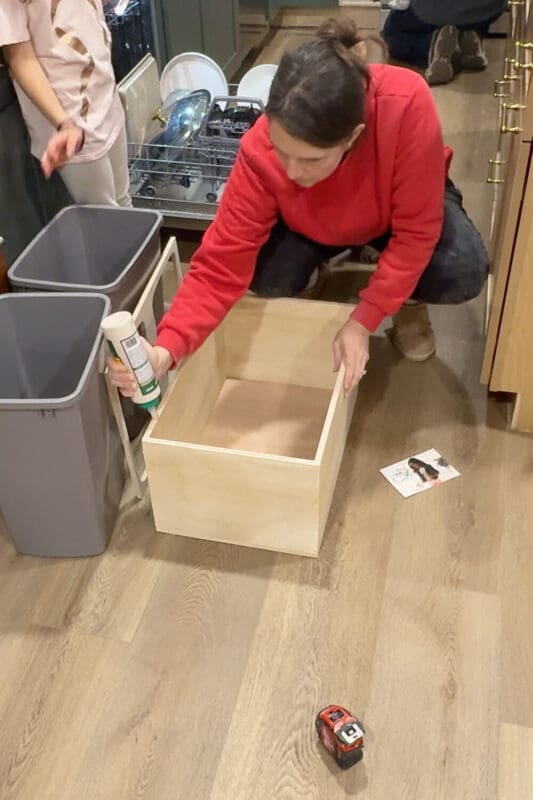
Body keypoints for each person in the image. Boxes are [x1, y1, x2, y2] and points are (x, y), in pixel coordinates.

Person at [109, 16, 488, 399]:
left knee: (461, 267)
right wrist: (164, 350)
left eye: (310, 160)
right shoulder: (259, 150)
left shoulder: (405, 102)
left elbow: (416, 232)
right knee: (267, 273)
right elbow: (220, 264)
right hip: (313, 221)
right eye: (282, 151)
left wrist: (364, 319)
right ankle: (316, 276)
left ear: (353, 136)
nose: (291, 170)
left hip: (395, 209)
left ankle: (407, 300)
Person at [0, 0, 131, 206]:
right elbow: (19, 58)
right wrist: (64, 123)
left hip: (105, 93)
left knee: (123, 202)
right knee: (105, 218)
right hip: (70, 116)